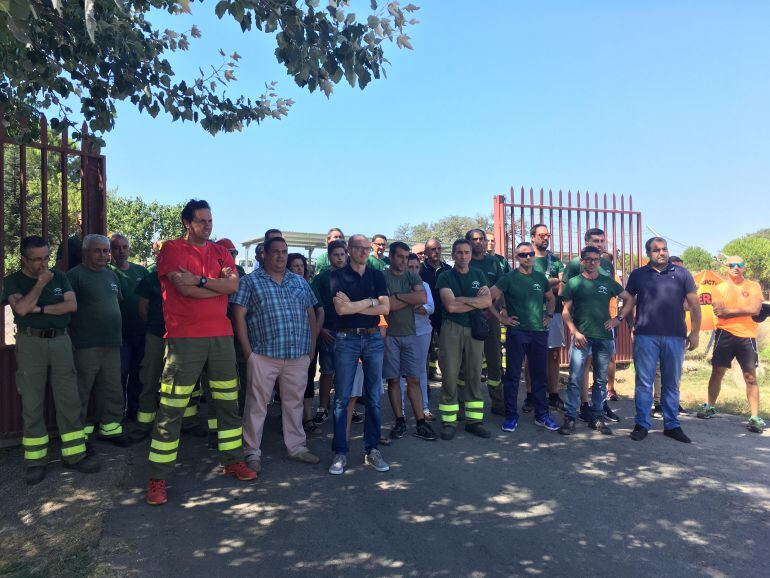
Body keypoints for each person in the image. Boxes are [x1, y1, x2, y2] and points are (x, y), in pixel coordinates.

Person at [145, 200, 256, 506]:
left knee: (227, 404)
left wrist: (202, 281)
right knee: (172, 409)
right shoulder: (171, 250)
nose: (208, 226)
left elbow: (233, 286)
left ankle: (233, 460)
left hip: (221, 336)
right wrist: (213, 286)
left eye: (210, 220)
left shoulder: (221, 251)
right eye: (201, 221)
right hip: (184, 339)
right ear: (187, 223)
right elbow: (185, 290)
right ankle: (158, 477)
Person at [2, 236, 100, 485]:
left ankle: (75, 454)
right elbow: (22, 309)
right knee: (32, 400)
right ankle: (36, 461)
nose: (43, 264)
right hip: (30, 342)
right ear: (24, 258)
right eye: (36, 259)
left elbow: (71, 305)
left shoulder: (59, 276)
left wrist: (42, 309)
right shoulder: (13, 280)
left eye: (46, 257)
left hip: (60, 341)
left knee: (68, 398)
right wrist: (38, 287)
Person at [232, 238, 321, 474]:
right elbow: (238, 315)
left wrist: (311, 348)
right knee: (256, 405)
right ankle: (252, 451)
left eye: (284, 252)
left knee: (294, 402)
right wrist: (248, 352)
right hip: (263, 355)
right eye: (276, 252)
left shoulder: (299, 282)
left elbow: (311, 313)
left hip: (297, 355)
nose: (281, 256)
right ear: (264, 255)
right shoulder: (250, 282)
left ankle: (297, 447)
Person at [619, 237, 701, 443]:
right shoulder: (638, 275)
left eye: (664, 249)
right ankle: (641, 424)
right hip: (646, 336)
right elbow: (628, 300)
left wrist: (695, 332)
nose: (661, 253)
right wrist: (630, 324)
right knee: (644, 382)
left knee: (672, 383)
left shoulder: (682, 274)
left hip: (675, 336)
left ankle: (672, 425)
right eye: (656, 250)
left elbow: (695, 305)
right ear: (649, 253)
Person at [328, 234, 390, 475]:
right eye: (360, 248)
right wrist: (370, 301)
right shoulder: (337, 276)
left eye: (367, 248)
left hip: (374, 337)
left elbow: (386, 308)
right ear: (350, 250)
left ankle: (372, 450)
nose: (365, 252)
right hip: (346, 339)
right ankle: (340, 452)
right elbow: (341, 310)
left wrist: (356, 304)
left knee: (373, 396)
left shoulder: (377, 275)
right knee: (342, 397)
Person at [558, 247, 632, 436]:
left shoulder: (607, 282)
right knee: (574, 378)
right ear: (582, 261)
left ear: (600, 261)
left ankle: (597, 417)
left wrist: (619, 319)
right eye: (588, 260)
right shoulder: (574, 283)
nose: (592, 263)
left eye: (596, 260)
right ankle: (570, 417)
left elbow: (629, 299)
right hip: (582, 338)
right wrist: (575, 333)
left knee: (600, 380)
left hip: (604, 339)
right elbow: (565, 312)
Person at [67, 234, 131, 448]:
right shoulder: (75, 276)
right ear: (85, 253)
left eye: (106, 251)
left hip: (112, 343)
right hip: (86, 344)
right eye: (97, 250)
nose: (103, 255)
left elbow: (116, 303)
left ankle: (110, 429)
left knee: (112, 388)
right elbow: (67, 310)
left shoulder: (111, 276)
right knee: (82, 390)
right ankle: (78, 437)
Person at [491, 242, 560, 433]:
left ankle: (542, 415)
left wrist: (549, 316)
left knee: (539, 375)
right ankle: (511, 416)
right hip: (517, 332)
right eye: (523, 255)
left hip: (538, 332)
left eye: (530, 254)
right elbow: (488, 298)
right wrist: (501, 318)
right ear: (516, 257)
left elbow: (551, 298)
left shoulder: (540, 277)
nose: (528, 257)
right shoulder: (509, 278)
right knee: (512, 376)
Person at [697, 256, 764, 433]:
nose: (736, 267)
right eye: (732, 265)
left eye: (739, 264)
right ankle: (710, 407)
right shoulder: (719, 288)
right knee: (717, 371)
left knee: (750, 377)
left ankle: (755, 417)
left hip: (747, 336)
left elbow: (755, 310)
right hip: (724, 334)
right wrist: (743, 310)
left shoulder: (753, 286)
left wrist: (729, 312)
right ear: (726, 268)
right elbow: (720, 313)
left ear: (744, 267)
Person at [436, 238, 493, 440]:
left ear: (471, 254)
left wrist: (463, 300)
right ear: (453, 255)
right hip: (452, 327)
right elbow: (450, 306)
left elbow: (487, 301)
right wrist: (476, 302)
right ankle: (449, 421)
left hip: (474, 328)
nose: (463, 256)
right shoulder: (444, 277)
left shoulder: (479, 274)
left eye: (466, 252)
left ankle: (473, 421)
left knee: (474, 373)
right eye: (459, 252)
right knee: (450, 374)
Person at [562, 228, 619, 423]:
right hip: (583, 327)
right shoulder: (575, 265)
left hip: (605, 323)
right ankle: (583, 405)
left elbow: (616, 291)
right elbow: (566, 293)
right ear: (586, 242)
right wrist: (575, 328)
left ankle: (600, 407)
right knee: (582, 366)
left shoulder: (607, 264)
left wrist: (617, 318)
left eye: (602, 241)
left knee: (603, 368)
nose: (599, 244)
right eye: (595, 240)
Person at [382, 241, 436, 441]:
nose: (404, 261)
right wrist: (407, 298)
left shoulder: (412, 275)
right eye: (400, 257)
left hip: (411, 334)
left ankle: (421, 422)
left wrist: (397, 296)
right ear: (391, 256)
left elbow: (422, 298)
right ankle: (400, 420)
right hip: (390, 336)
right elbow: (386, 306)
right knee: (394, 380)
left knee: (414, 378)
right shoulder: (382, 276)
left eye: (407, 257)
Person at [108, 233, 148, 421]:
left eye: (124, 247)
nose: (121, 251)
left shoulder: (141, 271)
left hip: (141, 333)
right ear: (110, 251)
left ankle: (135, 412)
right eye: (116, 247)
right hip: (119, 335)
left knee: (139, 374)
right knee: (120, 374)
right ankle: (117, 416)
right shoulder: (107, 272)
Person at [466, 229, 505, 416]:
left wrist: (492, 310)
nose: (479, 242)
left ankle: (497, 402)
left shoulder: (494, 262)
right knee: (469, 363)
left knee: (494, 361)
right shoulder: (465, 261)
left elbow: (501, 289)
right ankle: (468, 402)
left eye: (481, 239)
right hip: (469, 319)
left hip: (491, 319)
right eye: (475, 239)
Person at [528, 223, 567, 413]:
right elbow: (526, 283)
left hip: (555, 311)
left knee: (553, 354)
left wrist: (539, 283)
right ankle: (530, 395)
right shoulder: (528, 258)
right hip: (532, 312)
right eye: (541, 235)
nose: (545, 238)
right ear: (532, 237)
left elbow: (561, 283)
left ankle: (553, 394)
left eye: (548, 235)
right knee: (531, 355)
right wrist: (548, 283)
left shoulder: (556, 260)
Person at [287, 253, 325, 432]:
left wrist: (315, 334)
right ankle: (288, 420)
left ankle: (308, 417)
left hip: (307, 343)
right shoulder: (282, 286)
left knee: (307, 379)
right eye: (294, 266)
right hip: (286, 343)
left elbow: (320, 311)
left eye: (301, 265)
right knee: (287, 384)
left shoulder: (309, 286)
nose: (299, 268)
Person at [311, 240, 348, 425]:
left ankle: (346, 408)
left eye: (342, 254)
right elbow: (314, 307)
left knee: (346, 373)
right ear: (329, 256)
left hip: (349, 332)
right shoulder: (320, 278)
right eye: (336, 255)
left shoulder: (355, 276)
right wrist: (321, 330)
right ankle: (322, 408)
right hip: (328, 332)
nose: (340, 258)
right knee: (327, 371)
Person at [407, 253, 435, 420]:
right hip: (401, 331)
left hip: (423, 332)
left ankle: (424, 407)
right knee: (401, 375)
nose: (414, 270)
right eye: (410, 267)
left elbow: (429, 308)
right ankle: (401, 412)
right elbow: (391, 307)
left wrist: (405, 305)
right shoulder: (398, 283)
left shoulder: (424, 285)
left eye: (417, 267)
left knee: (420, 371)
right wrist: (417, 304)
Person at [420, 238, 451, 381]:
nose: (436, 251)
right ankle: (424, 384)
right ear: (426, 252)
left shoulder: (448, 269)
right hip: (426, 317)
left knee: (447, 350)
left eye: (438, 248)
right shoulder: (420, 270)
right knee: (424, 351)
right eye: (433, 249)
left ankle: (448, 382)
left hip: (445, 316)